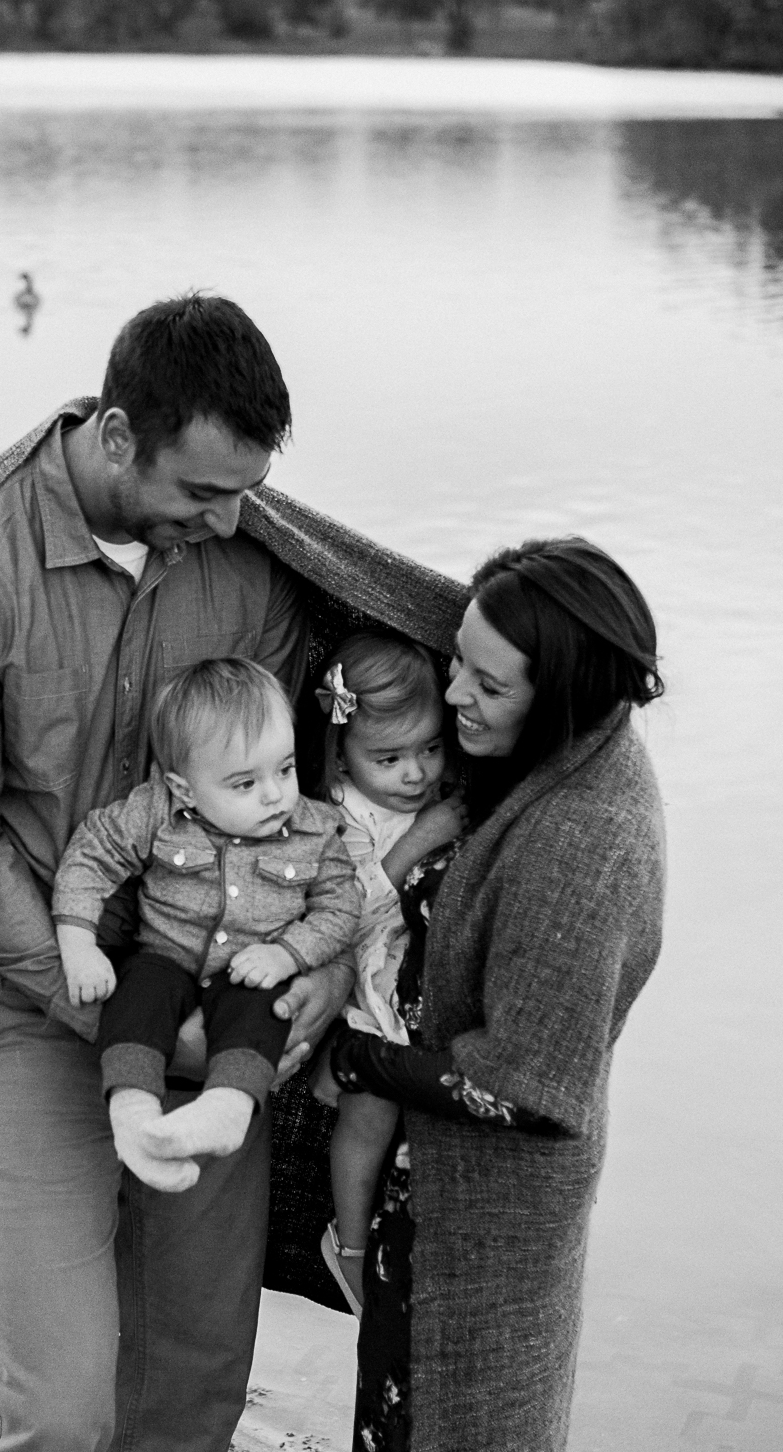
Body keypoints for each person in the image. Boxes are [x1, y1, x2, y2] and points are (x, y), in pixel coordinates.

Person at [0, 294, 355, 1452]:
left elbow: (283, 804)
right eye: (202, 492)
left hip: (213, 1007)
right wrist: (102, 1005)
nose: (228, 521)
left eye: (247, 494)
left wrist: (321, 961)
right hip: (19, 1001)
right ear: (117, 436)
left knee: (190, 1391)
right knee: (59, 1408)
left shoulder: (254, 566)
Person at [328, 537, 666, 1452]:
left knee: (467, 1417)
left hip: (487, 1204)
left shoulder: (583, 838)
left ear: (556, 690)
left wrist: (358, 1060)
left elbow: (525, 1084)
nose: (452, 698)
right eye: (456, 665)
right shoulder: (551, 747)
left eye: (486, 686)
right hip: (432, 1177)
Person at [52, 657, 362, 1186]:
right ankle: (134, 1118)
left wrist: (287, 954)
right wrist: (78, 942)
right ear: (185, 788)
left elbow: (341, 909)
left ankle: (228, 1108)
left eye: (284, 769)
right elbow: (92, 855)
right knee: (137, 991)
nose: (275, 794)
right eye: (244, 783)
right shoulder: (156, 810)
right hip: (165, 958)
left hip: (252, 965)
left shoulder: (317, 833)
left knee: (264, 1004)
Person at [306, 633, 465, 1316]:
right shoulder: (336, 814)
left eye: (430, 748)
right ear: (339, 748)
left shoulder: (441, 789)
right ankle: (344, 1239)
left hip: (424, 973)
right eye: (389, 757)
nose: (414, 774)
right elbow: (347, 913)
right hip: (368, 974)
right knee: (369, 1116)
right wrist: (420, 839)